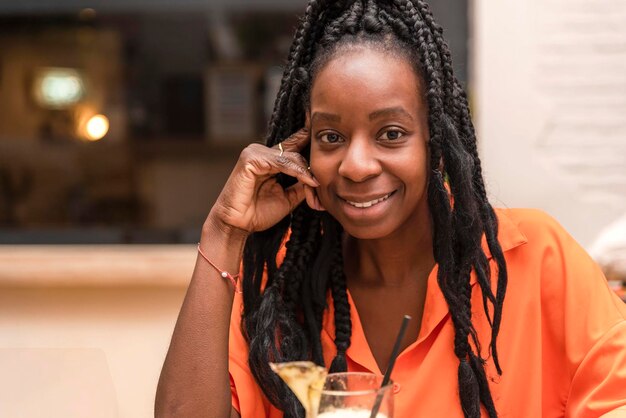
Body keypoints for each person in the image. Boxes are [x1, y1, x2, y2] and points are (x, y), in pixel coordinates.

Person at [155, 1, 626, 417]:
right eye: (331, 137)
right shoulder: (275, 287)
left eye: (391, 134)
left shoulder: (535, 258)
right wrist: (223, 231)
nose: (356, 166)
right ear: (302, 151)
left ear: (435, 143)